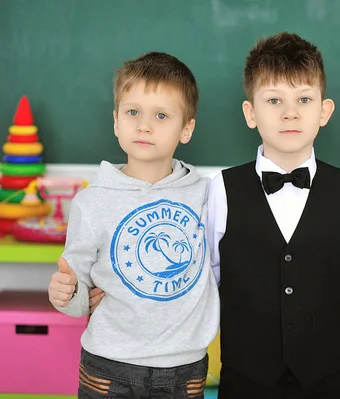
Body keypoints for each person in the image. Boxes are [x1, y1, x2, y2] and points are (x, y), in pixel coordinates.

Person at [47, 51, 219, 398]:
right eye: (133, 112)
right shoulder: (92, 201)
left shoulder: (207, 195)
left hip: (184, 370)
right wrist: (65, 294)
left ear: (186, 128)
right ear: (116, 121)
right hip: (110, 369)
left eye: (161, 115)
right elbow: (79, 292)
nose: (144, 125)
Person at [207, 32, 340, 399]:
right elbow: (209, 281)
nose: (290, 112)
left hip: (326, 383)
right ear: (250, 113)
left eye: (304, 99)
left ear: (324, 111)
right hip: (245, 383)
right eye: (274, 100)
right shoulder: (220, 189)